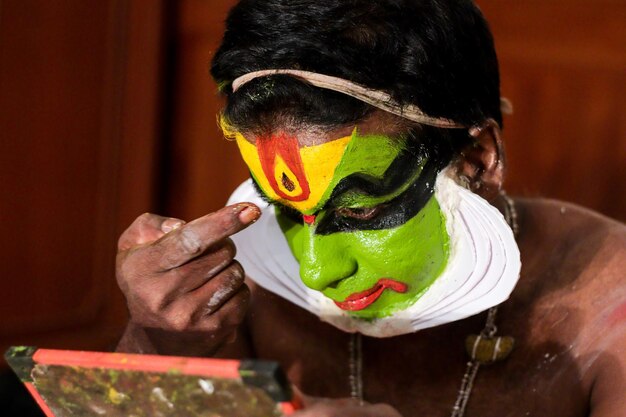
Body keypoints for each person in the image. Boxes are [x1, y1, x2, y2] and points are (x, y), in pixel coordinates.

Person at [115, 0, 626, 415]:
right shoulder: (239, 284)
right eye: (288, 212)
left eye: (358, 212)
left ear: (476, 161)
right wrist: (153, 343)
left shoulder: (608, 301)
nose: (315, 273)